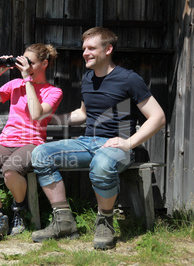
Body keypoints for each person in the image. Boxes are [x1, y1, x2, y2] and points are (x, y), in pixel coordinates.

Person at [31, 27, 166, 250]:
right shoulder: (88, 78)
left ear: (108, 49)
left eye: (91, 48)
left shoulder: (129, 79)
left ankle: (105, 220)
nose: (85, 52)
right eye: (84, 48)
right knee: (41, 153)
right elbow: (83, 114)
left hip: (116, 146)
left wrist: (128, 142)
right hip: (87, 142)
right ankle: (64, 221)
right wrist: (52, 120)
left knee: (102, 163)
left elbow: (158, 117)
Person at [0, 43, 63, 244]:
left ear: (44, 64)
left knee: (11, 170)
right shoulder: (15, 86)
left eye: (30, 62)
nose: (24, 64)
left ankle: (18, 209)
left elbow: (36, 114)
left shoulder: (53, 91)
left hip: (32, 143)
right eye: (23, 60)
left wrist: (28, 80)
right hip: (6, 141)